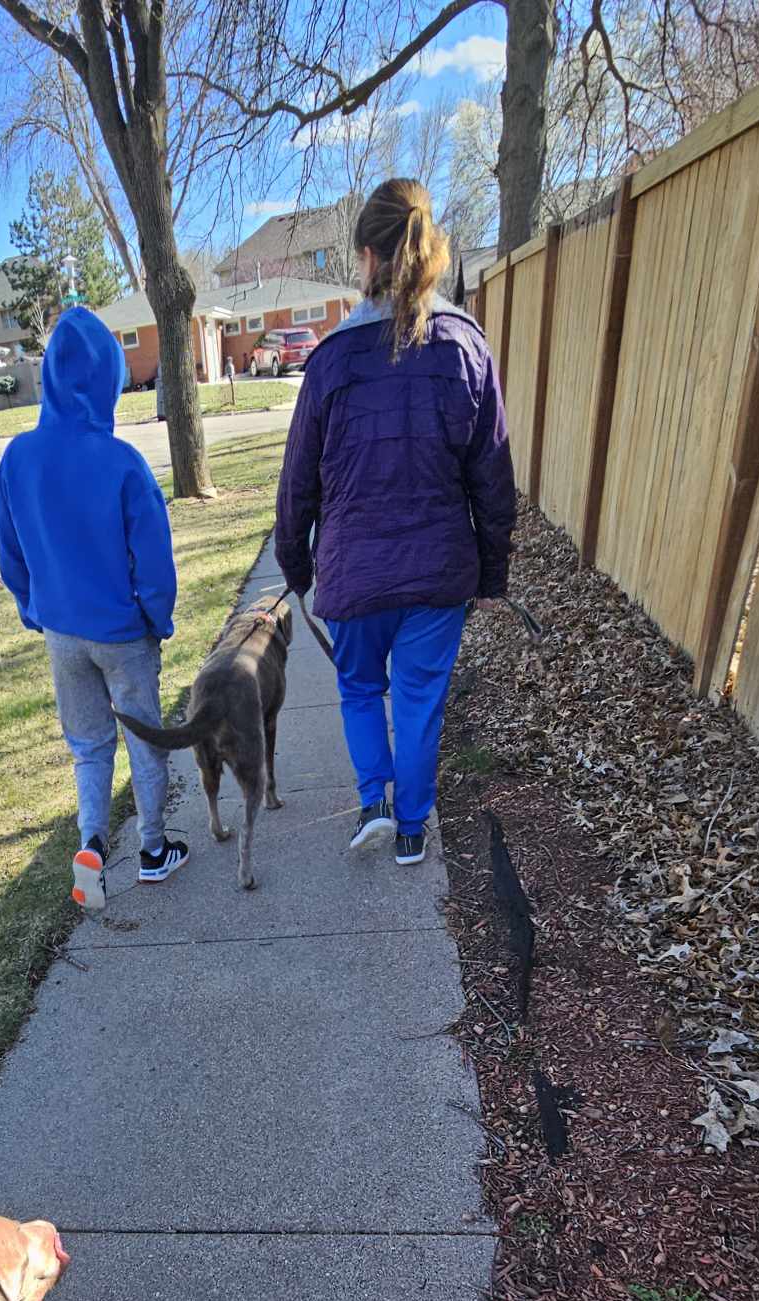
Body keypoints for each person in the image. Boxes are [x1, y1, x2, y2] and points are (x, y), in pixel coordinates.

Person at [275, 178, 516, 868]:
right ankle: (412, 830)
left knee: (359, 689)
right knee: (418, 699)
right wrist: (490, 571)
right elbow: (493, 474)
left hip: (354, 575)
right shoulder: (465, 348)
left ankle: (374, 802)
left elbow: (298, 485)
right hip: (438, 573)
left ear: (367, 258)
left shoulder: (329, 362)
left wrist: (297, 566)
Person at [0, 307, 189, 909]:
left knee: (88, 746)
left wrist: (35, 610)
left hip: (61, 632)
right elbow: (154, 564)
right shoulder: (122, 462)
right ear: (107, 380)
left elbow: (12, 555)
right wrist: (157, 620)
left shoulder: (16, 459)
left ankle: (93, 846)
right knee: (145, 739)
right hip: (123, 633)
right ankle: (155, 851)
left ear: (49, 377)